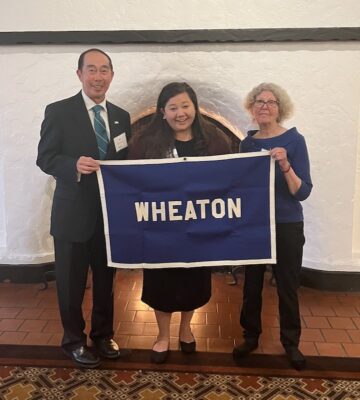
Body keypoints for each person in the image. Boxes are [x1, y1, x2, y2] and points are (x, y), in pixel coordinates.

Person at [36, 48, 132, 368]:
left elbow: (125, 164)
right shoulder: (59, 112)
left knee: (106, 282)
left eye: (104, 70)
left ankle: (103, 335)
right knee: (70, 283)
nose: (98, 76)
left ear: (112, 76)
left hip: (109, 218)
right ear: (79, 75)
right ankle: (73, 340)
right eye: (91, 70)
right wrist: (74, 165)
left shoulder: (121, 117)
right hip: (72, 215)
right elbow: (46, 158)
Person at [128, 82, 232, 363]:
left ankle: (186, 330)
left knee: (193, 283)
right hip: (160, 231)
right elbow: (132, 183)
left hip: (199, 230)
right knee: (161, 284)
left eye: (185, 106)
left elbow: (229, 179)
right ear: (163, 112)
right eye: (173, 107)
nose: (180, 113)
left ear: (195, 108)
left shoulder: (215, 141)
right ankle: (162, 335)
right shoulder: (144, 143)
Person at [233, 82, 312, 370]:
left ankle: (291, 343)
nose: (264, 106)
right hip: (255, 226)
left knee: (287, 286)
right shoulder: (248, 143)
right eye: (259, 101)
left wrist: (286, 165)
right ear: (251, 108)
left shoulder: (294, 141)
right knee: (251, 285)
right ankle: (250, 336)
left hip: (287, 224)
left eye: (271, 102)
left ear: (280, 108)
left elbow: (302, 192)